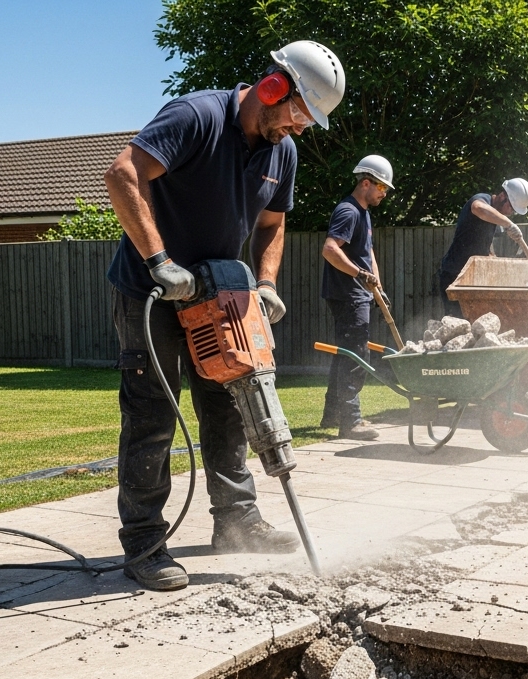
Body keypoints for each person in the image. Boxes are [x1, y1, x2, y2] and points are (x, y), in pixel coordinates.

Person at [102, 40, 346, 591]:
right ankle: (144, 543)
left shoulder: (282, 152)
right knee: (153, 413)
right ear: (273, 88)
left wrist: (266, 284)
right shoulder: (195, 117)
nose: (300, 130)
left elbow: (273, 224)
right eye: (300, 117)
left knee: (231, 406)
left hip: (221, 294)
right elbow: (123, 175)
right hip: (151, 293)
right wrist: (160, 261)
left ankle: (237, 521)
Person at [319, 155, 394, 441]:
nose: (383, 193)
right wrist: (360, 275)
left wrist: (378, 286)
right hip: (348, 294)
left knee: (345, 355)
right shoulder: (348, 211)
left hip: (357, 292)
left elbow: (367, 252)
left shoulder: (363, 212)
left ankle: (333, 415)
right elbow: (329, 249)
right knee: (357, 355)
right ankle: (350, 422)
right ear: (366, 183)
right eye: (381, 188)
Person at [435, 178, 528, 316]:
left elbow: (486, 245)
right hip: (454, 275)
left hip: (472, 279)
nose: (511, 213)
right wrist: (508, 224)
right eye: (511, 207)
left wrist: (495, 264)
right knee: (457, 323)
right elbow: (478, 208)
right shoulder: (482, 200)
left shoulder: (494, 221)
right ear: (503, 196)